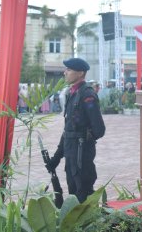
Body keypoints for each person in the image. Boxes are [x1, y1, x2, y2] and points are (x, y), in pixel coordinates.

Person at [45, 58, 106, 203]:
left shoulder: (87, 95)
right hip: (71, 155)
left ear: (80, 73)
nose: (65, 73)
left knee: (83, 195)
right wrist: (56, 158)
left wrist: (83, 139)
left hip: (82, 156)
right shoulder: (72, 93)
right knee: (73, 194)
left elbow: (99, 129)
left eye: (69, 70)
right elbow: (68, 131)